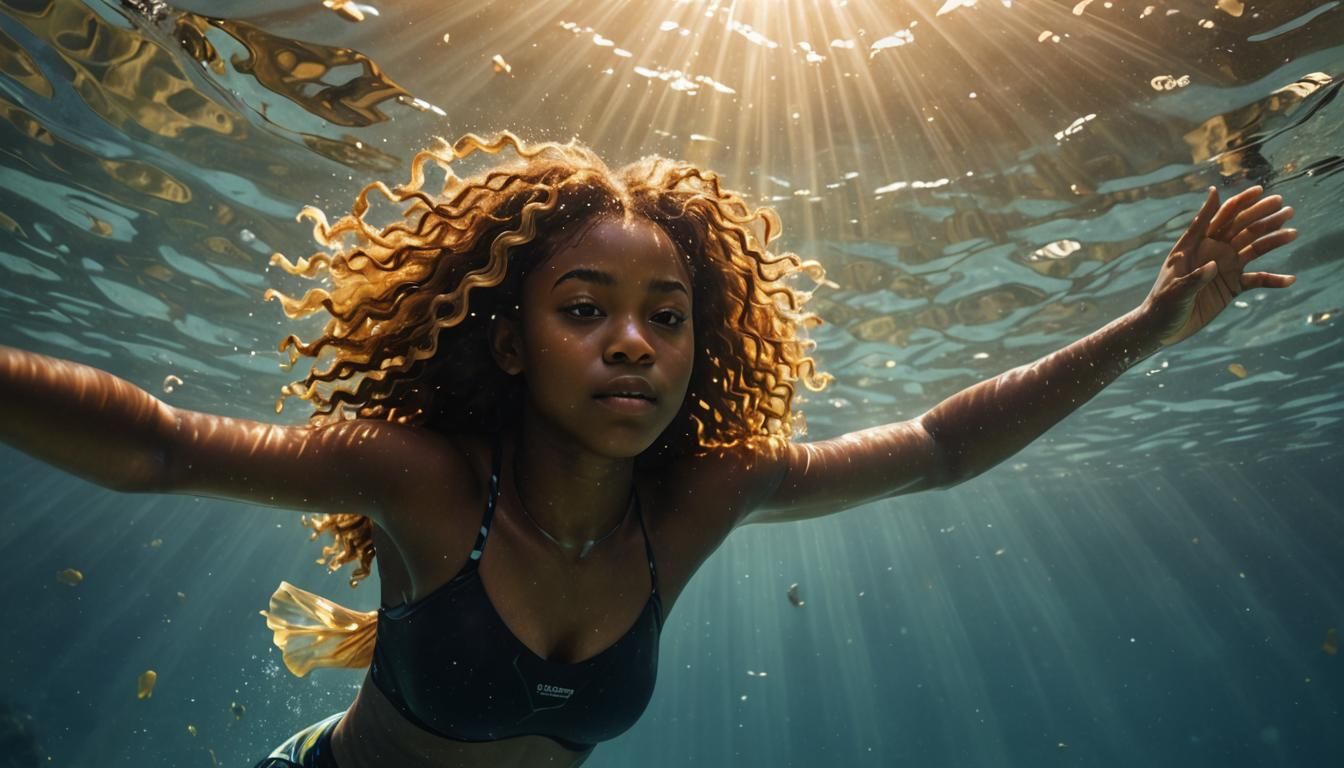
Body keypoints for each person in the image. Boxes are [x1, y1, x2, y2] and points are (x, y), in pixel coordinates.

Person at [0, 132, 1298, 768]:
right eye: (584, 311)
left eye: (665, 318)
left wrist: (1151, 322)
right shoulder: (427, 483)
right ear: (510, 344)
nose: (632, 343)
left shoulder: (699, 500)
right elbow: (161, 449)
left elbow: (939, 447)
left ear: (700, 344)